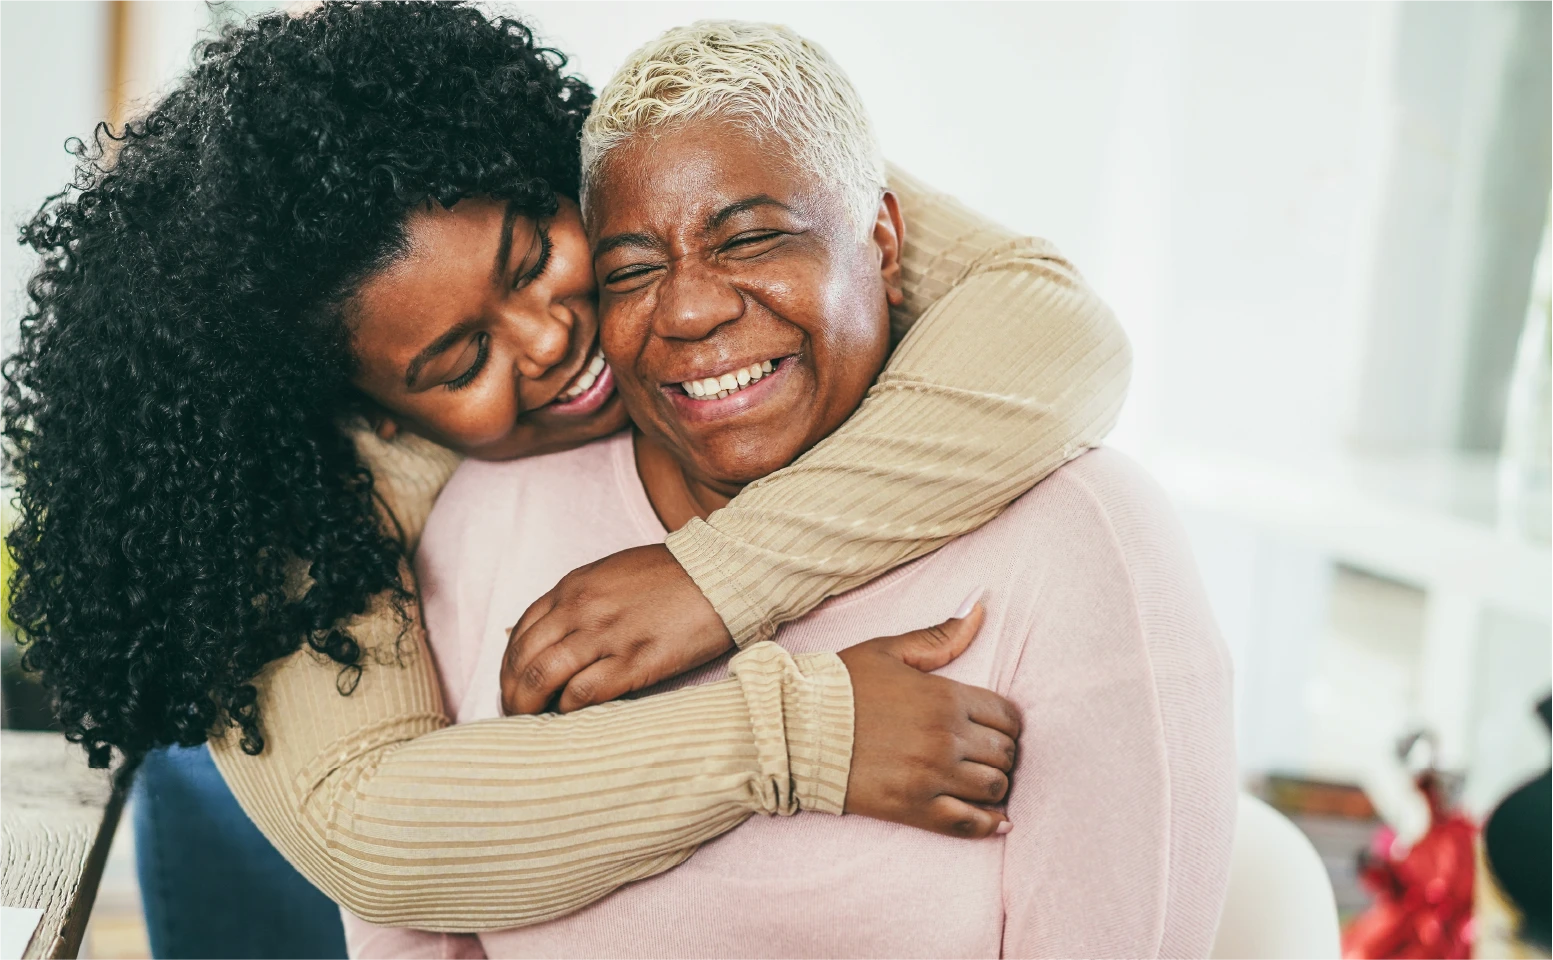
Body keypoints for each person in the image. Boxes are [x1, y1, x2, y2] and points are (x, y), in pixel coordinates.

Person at [1, 0, 1130, 938]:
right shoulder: (295, 480)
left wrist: (715, 579)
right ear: (370, 411)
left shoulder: (643, 165)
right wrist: (793, 737)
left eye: (536, 256)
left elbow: (1053, 326)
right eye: (458, 360)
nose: (547, 340)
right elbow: (369, 829)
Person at [349, 21, 1236, 959]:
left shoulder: (1081, 542)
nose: (690, 308)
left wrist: (715, 578)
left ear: (883, 240)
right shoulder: (485, 526)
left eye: (754, 238)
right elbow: (412, 921)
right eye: (633, 271)